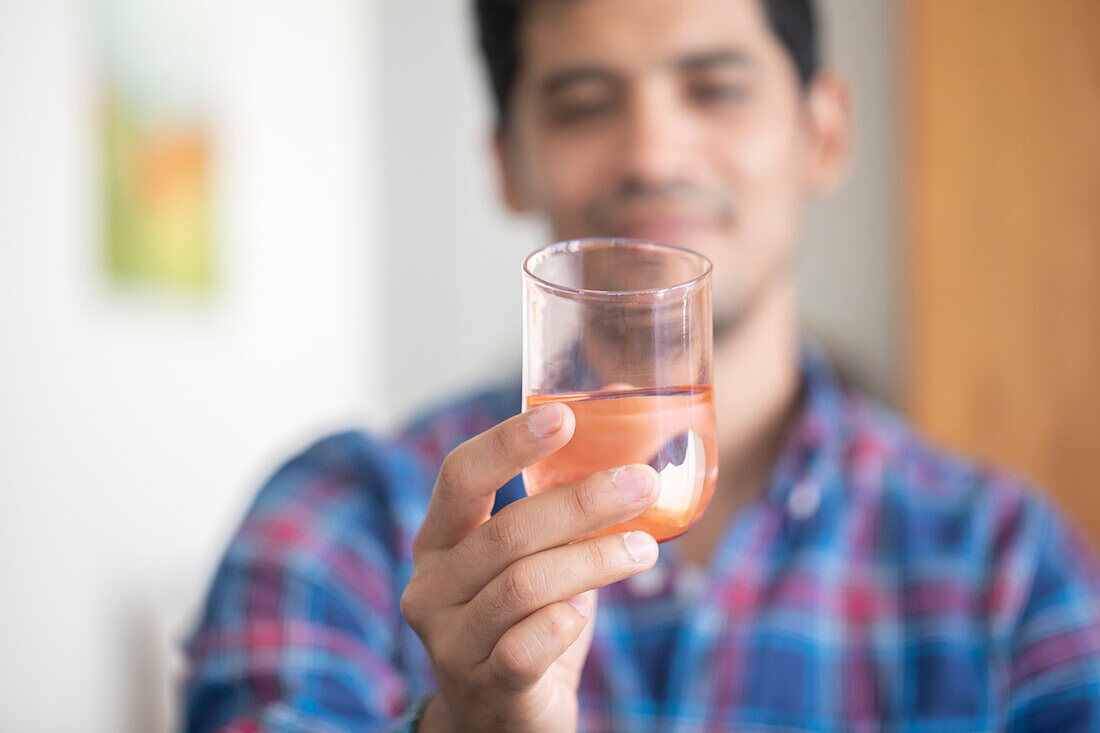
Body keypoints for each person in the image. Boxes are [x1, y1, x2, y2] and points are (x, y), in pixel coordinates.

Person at [182, 0, 1100, 730]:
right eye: (583, 102)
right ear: (508, 162)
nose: (653, 152)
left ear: (824, 132)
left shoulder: (1011, 568)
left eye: (716, 87)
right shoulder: (343, 515)